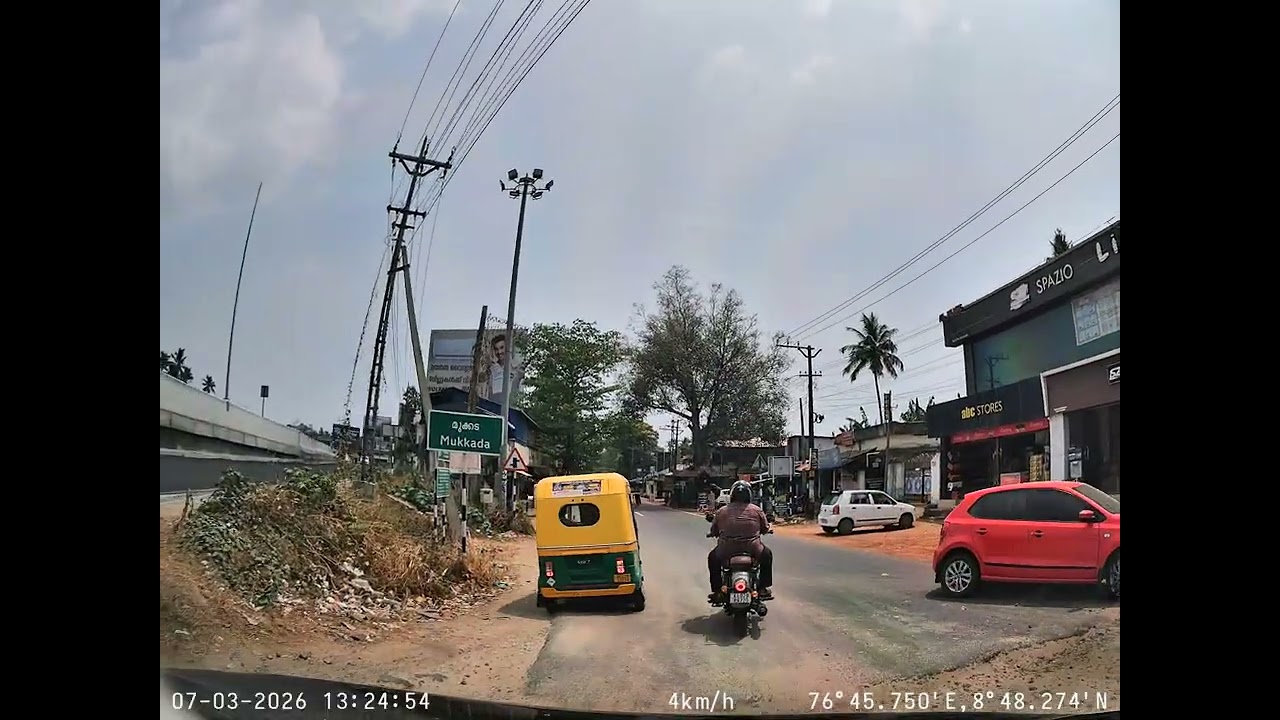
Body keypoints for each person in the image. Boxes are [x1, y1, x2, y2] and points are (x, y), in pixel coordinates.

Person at [707, 480, 774, 602]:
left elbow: (714, 530)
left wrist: (713, 533)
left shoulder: (721, 511)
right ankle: (762, 588)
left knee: (712, 558)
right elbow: (765, 528)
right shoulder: (757, 510)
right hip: (752, 548)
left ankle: (717, 591)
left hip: (726, 549)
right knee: (767, 555)